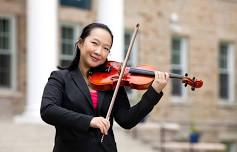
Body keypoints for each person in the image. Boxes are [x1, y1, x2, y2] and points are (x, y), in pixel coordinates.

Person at [40, 22, 169, 152]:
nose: (99, 52)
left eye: (106, 48)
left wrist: (154, 92)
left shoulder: (112, 81)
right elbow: (48, 110)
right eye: (94, 43)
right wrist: (90, 121)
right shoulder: (61, 78)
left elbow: (127, 120)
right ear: (80, 43)